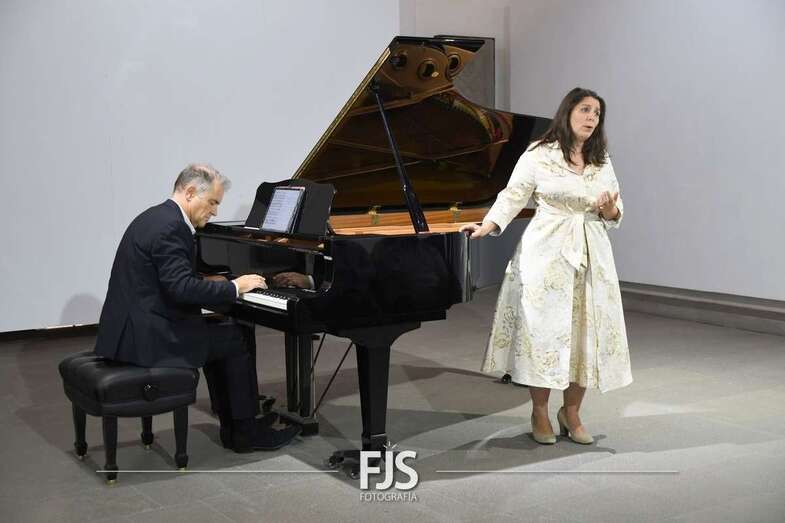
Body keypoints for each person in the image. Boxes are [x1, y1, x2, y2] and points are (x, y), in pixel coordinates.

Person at [460, 87, 632, 445]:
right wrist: (487, 225)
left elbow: (616, 212)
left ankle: (571, 413)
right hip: (547, 251)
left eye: (597, 114)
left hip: (591, 252)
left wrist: (608, 209)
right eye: (585, 110)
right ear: (568, 112)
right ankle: (539, 410)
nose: (591, 118)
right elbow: (513, 194)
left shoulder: (601, 159)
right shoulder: (539, 153)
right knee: (545, 333)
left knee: (584, 332)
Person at [94, 164, 300, 452]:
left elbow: (169, 280)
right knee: (235, 338)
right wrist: (234, 287)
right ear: (190, 192)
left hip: (136, 328)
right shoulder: (171, 228)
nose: (215, 211)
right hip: (148, 340)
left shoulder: (156, 217)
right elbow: (181, 289)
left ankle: (235, 423)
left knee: (225, 331)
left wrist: (207, 281)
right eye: (213, 202)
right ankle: (244, 431)